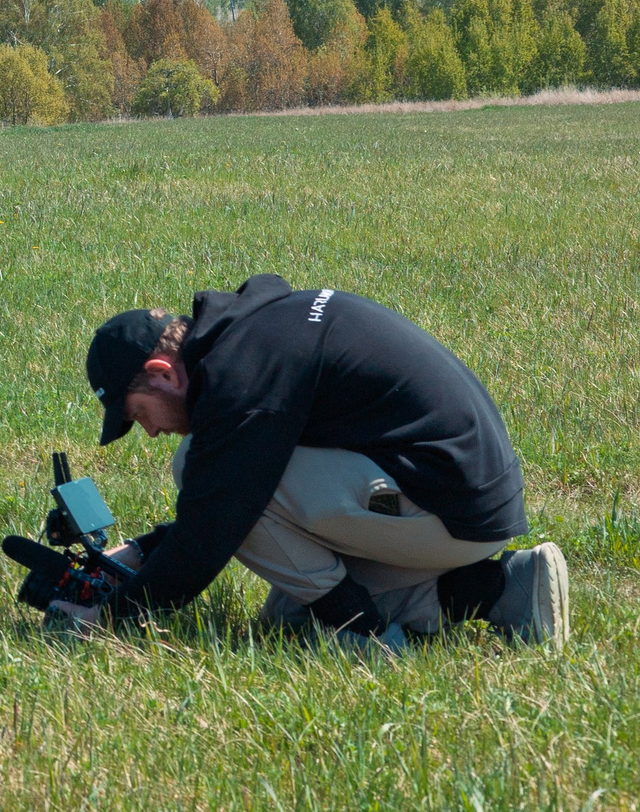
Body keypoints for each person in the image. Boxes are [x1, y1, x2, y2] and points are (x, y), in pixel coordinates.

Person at [62, 274, 567, 651]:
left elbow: (212, 529)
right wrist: (139, 554)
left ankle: (364, 636)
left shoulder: (241, 378)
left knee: (199, 466)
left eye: (138, 414)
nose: (150, 431)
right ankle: (505, 590)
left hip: (448, 506)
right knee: (294, 614)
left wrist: (107, 619)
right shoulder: (253, 335)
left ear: (163, 374)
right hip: (463, 499)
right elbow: (223, 498)